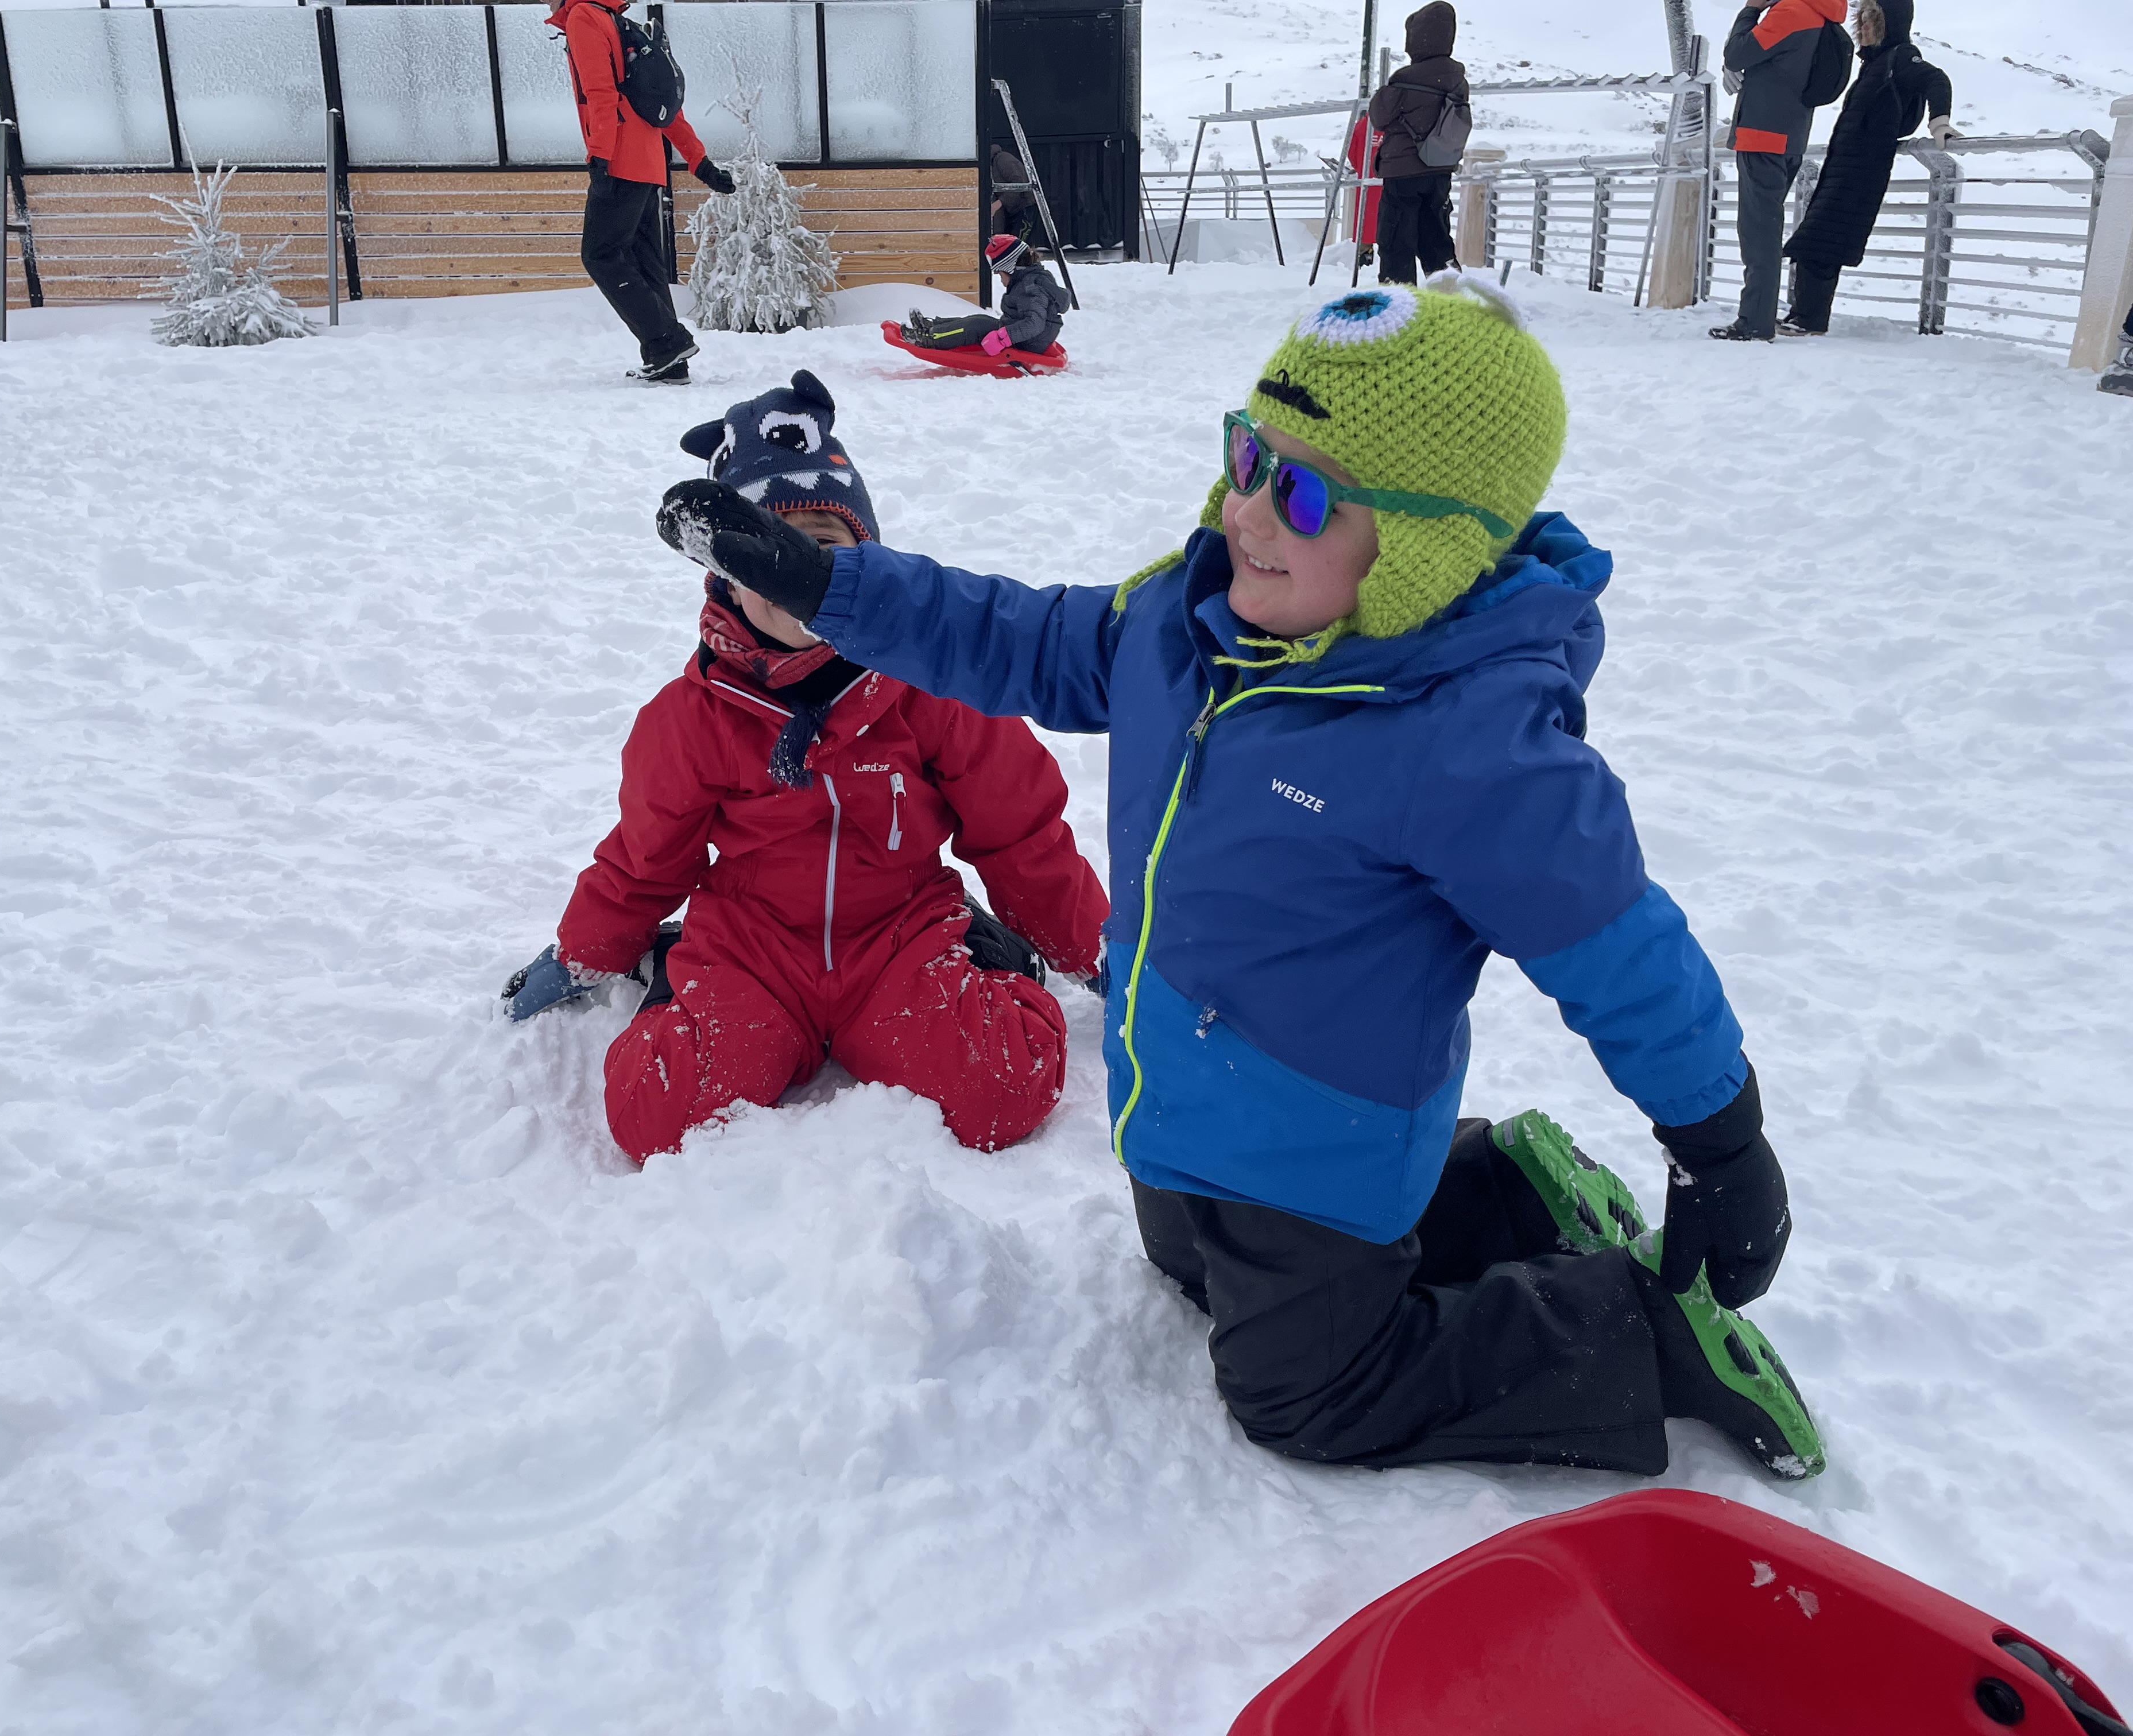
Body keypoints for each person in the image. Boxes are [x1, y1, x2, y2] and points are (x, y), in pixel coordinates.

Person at [657, 278, 1825, 1482]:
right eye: (1247, 455)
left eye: (1305, 492)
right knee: (1186, 1264)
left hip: (1321, 1141)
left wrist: (1722, 1140)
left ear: (1423, 549)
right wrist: (831, 590)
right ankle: (1501, 1194)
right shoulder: (1186, 621)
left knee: (1303, 1388)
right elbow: (1010, 634)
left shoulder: (1468, 743)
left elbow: (1616, 943)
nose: (1248, 511)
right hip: (1179, 1098)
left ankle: (1630, 1331)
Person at [505, 369, 1109, 1163]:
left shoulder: (932, 691)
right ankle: (671, 972)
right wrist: (586, 951)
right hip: (754, 943)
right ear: (726, 576)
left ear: (867, 560)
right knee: (656, 1117)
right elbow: (646, 859)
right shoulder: (692, 718)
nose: (790, 583)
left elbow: (1020, 832)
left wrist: (1100, 955)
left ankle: (993, 954)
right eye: (763, 561)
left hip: (902, 932)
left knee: (1002, 1087)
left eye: (820, 549)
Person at [551, 0, 734, 386]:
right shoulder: (621, 25)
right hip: (649, 164)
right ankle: (669, 360)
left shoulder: (585, 17)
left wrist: (599, 158)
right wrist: (700, 163)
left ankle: (667, 342)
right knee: (644, 258)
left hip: (619, 159)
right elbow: (665, 109)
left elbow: (601, 94)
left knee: (600, 254)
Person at [1779, 0, 1954, 336]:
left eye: (1872, 21)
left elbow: (1937, 80)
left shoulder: (1900, 56)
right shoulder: (1875, 65)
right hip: (1844, 168)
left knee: (1820, 242)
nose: (1864, 30)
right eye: (1861, 23)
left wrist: (1939, 124)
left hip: (1863, 171)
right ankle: (1803, 316)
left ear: (1889, 24)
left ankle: (1809, 320)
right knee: (1816, 242)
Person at [1712, 0, 1848, 341]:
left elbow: (1738, 55)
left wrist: (1751, 10)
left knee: (1759, 234)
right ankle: (1758, 316)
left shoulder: (1791, 12)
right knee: (1765, 229)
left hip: (1761, 137)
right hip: (1790, 138)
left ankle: (1755, 322)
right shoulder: (1822, 16)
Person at [1366, 2, 1467, 285]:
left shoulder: (1404, 80)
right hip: (1439, 168)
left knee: (1397, 238)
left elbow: (1380, 117)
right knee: (1436, 235)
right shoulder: (1458, 80)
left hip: (1403, 171)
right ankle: (1451, 297)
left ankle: (1399, 302)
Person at [904, 235, 1070, 358]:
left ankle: (928, 339)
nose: (1001, 279)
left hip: (1029, 342)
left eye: (1000, 274)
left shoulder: (1032, 287)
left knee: (976, 327)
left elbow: (1035, 323)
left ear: (1011, 268)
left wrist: (1003, 338)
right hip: (1023, 335)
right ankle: (930, 327)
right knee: (978, 320)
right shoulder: (1029, 279)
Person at [989, 139, 1039, 245]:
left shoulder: (1002, 159)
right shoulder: (991, 164)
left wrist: (1000, 202)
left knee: (1019, 247)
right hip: (1011, 211)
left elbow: (1020, 182)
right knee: (1009, 246)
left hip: (1025, 208)